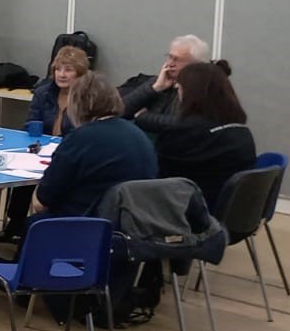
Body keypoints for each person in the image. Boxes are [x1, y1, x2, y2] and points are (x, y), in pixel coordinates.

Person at [34, 72, 158, 219]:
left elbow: (43, 200)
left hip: (86, 222)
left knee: (35, 216)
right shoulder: (138, 134)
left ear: (75, 104)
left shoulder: (80, 139)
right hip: (133, 223)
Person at [0, 46, 89, 241]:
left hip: (69, 154)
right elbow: (30, 124)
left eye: (68, 70)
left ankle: (47, 225)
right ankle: (16, 223)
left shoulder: (87, 98)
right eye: (58, 69)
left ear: (80, 74)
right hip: (40, 150)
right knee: (22, 171)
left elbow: (85, 132)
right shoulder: (43, 93)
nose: (61, 74)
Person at [135, 61, 255, 211]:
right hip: (234, 215)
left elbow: (156, 179)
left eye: (181, 85)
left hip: (191, 214)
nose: (177, 87)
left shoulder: (184, 134)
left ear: (193, 93)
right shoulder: (242, 132)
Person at [123, 34, 212, 120]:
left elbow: (186, 124)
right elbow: (120, 110)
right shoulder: (161, 81)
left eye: (177, 59)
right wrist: (154, 88)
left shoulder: (202, 90)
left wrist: (144, 117)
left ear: (196, 64)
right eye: (170, 57)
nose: (170, 64)